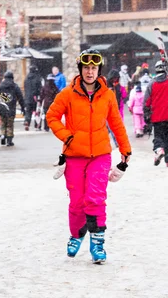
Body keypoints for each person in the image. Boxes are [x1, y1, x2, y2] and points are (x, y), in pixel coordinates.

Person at [46, 49, 131, 264]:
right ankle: (76, 234)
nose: (90, 72)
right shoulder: (67, 94)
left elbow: (117, 124)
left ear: (98, 70)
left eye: (93, 68)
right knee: (77, 203)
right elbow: (52, 116)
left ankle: (97, 243)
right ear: (81, 70)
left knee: (95, 198)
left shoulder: (108, 95)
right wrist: (66, 136)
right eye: (86, 68)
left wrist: (125, 149)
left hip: (100, 155)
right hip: (74, 156)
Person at [143, 60, 168, 167]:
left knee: (158, 136)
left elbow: (146, 102)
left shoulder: (151, 84)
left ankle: (159, 150)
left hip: (157, 116)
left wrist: (146, 115)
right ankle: (167, 160)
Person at [0, 71, 25, 146]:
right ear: (12, 78)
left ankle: (2, 135)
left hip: (2, 108)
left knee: (3, 123)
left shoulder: (0, 86)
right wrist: (23, 107)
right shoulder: (15, 86)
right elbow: (20, 97)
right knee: (10, 125)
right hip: (11, 108)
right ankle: (9, 140)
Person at [23, 63, 43, 130]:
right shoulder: (37, 78)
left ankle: (27, 121)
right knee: (37, 111)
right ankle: (37, 124)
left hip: (28, 98)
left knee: (28, 111)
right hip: (35, 98)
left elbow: (25, 88)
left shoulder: (26, 79)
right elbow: (40, 88)